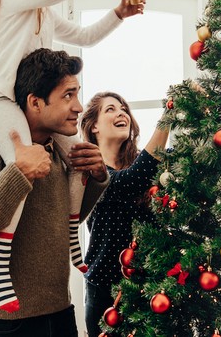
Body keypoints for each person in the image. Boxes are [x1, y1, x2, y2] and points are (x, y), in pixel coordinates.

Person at [0, 0, 145, 312]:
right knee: (27, 163)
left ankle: (72, 237)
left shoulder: (43, 13)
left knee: (79, 157)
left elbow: (84, 36)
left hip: (23, 103)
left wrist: (119, 13)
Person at [0, 48, 110, 337]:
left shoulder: (57, 148)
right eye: (68, 96)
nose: (79, 107)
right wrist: (18, 174)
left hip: (61, 315)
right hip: (5, 325)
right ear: (35, 101)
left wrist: (96, 178)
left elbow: (56, 222)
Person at [78, 92, 170, 336]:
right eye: (110, 109)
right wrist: (169, 115)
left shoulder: (146, 165)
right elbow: (129, 181)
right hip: (106, 291)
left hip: (153, 287)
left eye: (124, 109)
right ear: (94, 126)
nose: (121, 113)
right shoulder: (90, 172)